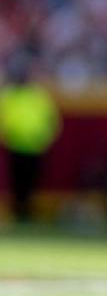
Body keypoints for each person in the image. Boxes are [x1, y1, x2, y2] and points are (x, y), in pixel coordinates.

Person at [0, 65, 61, 222]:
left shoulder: (37, 96)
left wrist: (46, 138)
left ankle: (26, 210)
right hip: (16, 145)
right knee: (18, 181)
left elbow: (51, 119)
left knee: (31, 180)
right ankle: (19, 210)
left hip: (34, 146)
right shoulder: (10, 96)